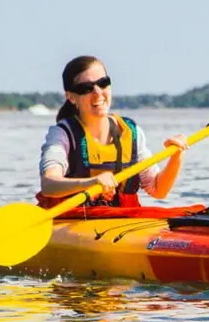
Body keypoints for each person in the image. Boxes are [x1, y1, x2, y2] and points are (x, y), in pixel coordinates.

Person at [36, 55, 190, 209]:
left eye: (103, 83)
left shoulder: (131, 132)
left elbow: (158, 190)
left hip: (121, 218)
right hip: (74, 218)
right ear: (71, 97)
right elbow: (48, 185)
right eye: (86, 88)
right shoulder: (62, 134)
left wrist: (176, 156)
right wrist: (91, 183)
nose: (98, 92)